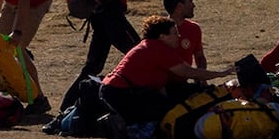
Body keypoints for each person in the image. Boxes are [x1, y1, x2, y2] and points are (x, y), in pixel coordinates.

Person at [97, 14, 234, 129]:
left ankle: (120, 119)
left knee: (168, 104)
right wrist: (221, 74)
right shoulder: (158, 48)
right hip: (119, 93)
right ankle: (115, 122)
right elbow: (188, 72)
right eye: (175, 33)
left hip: (114, 90)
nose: (179, 36)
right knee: (167, 112)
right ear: (162, 36)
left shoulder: (152, 46)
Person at [163, 0, 205, 70]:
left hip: (184, 80)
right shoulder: (159, 30)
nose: (193, 5)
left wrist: (201, 78)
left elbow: (199, 57)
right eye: (190, 2)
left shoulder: (193, 28)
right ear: (179, 6)